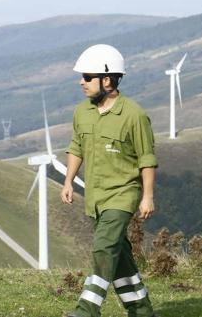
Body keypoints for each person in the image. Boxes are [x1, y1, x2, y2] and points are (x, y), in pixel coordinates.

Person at [61, 44, 158, 317]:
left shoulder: (134, 115)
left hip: (122, 195)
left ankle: (87, 309)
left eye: (87, 77)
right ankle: (142, 311)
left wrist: (147, 196)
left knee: (104, 248)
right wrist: (68, 181)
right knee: (120, 256)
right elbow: (76, 148)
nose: (81, 82)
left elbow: (147, 159)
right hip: (94, 197)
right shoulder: (82, 112)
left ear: (108, 79)